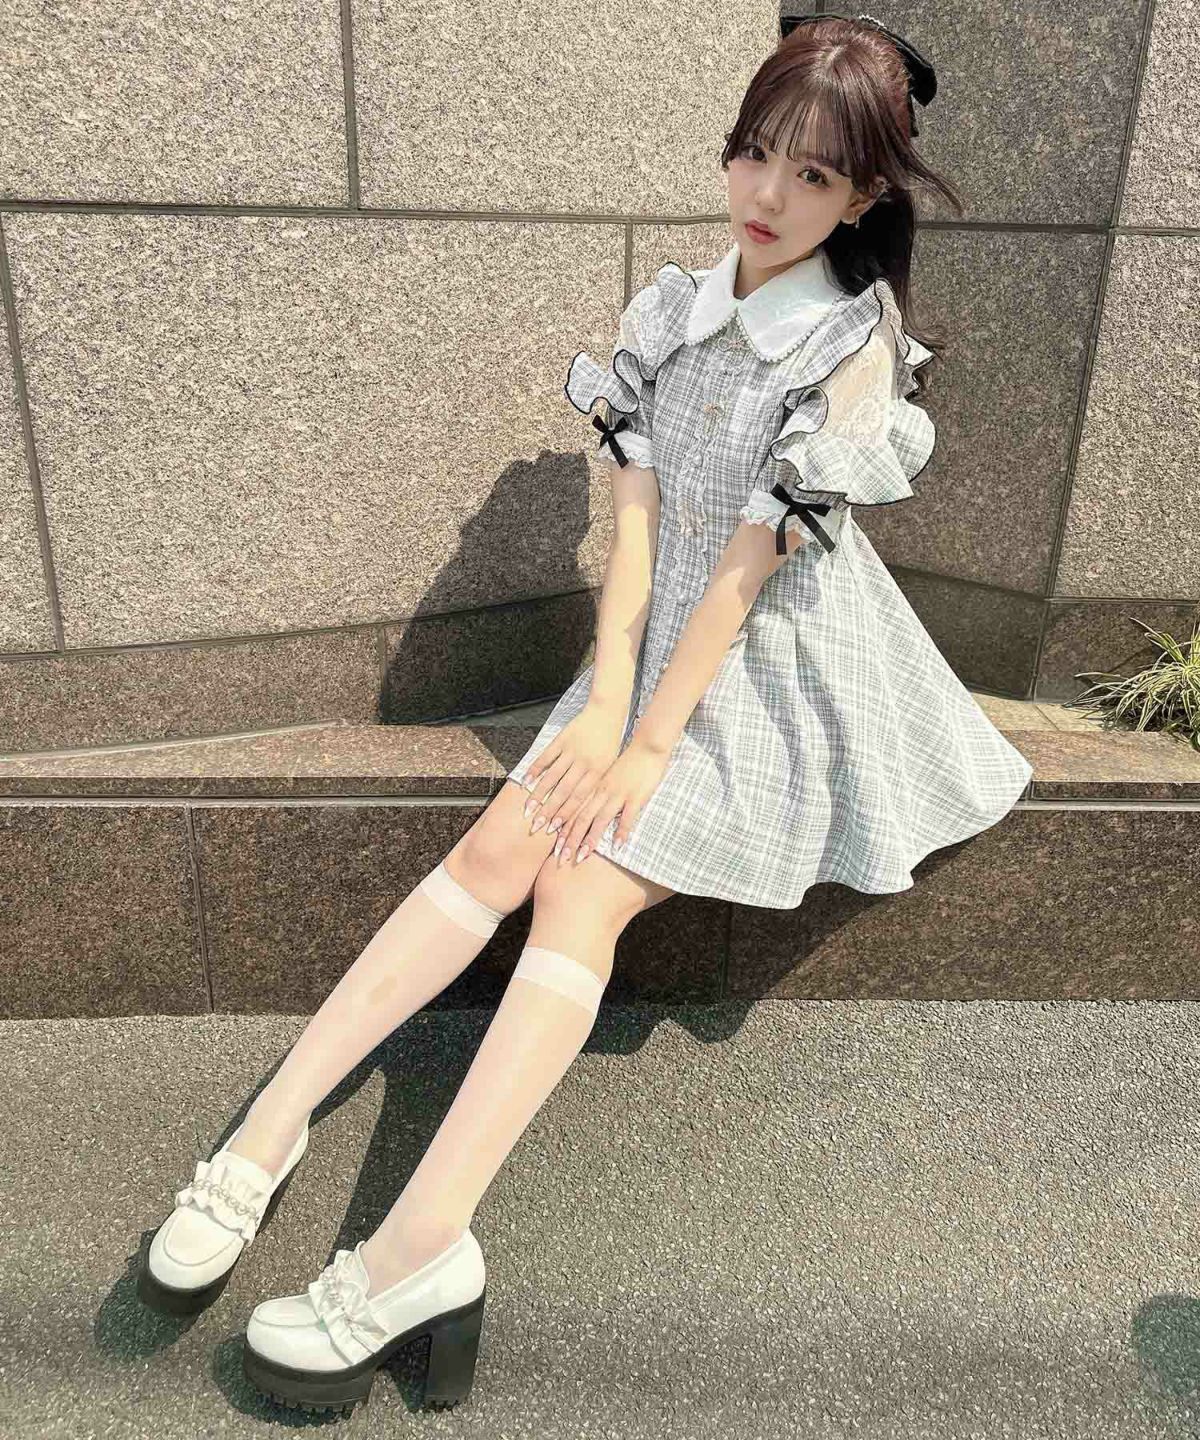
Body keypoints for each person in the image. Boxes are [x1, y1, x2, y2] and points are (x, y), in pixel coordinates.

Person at [138, 13, 1033, 1413]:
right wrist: (605, 700)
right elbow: (639, 529)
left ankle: (419, 1251)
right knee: (502, 844)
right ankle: (267, 1132)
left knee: (580, 883)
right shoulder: (673, 308)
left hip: (774, 678)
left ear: (866, 196)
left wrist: (647, 742)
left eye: (811, 175)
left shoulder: (849, 349)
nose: (766, 194)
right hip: (652, 647)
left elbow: (742, 577)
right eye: (755, 153)